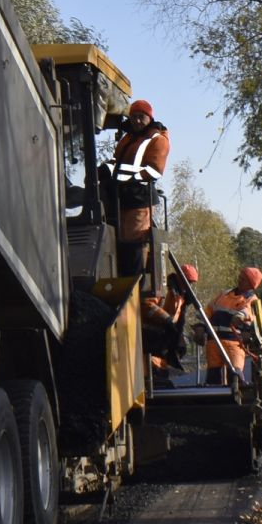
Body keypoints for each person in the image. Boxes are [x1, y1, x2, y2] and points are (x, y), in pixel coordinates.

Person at [110, 100, 171, 277]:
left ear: (149, 118)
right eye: (134, 116)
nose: (136, 121)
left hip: (140, 200)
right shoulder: (128, 138)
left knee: (134, 243)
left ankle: (134, 284)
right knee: (119, 241)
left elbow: (154, 170)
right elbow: (117, 162)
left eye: (141, 117)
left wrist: (121, 175)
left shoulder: (158, 140)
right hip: (121, 197)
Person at [205, 266, 262, 386]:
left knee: (235, 374)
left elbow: (247, 312)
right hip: (214, 341)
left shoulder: (251, 299)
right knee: (213, 376)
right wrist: (200, 326)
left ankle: (236, 399)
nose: (239, 279)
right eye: (240, 276)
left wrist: (239, 317)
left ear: (251, 284)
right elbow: (208, 309)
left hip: (234, 343)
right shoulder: (224, 294)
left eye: (244, 278)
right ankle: (212, 400)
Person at [143, 262, 198, 378]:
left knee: (166, 366)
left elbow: (177, 321)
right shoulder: (162, 287)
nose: (189, 286)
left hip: (161, 339)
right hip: (147, 335)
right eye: (188, 282)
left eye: (191, 283)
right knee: (152, 364)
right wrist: (166, 319)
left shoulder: (181, 298)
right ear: (181, 278)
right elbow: (146, 305)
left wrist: (179, 339)